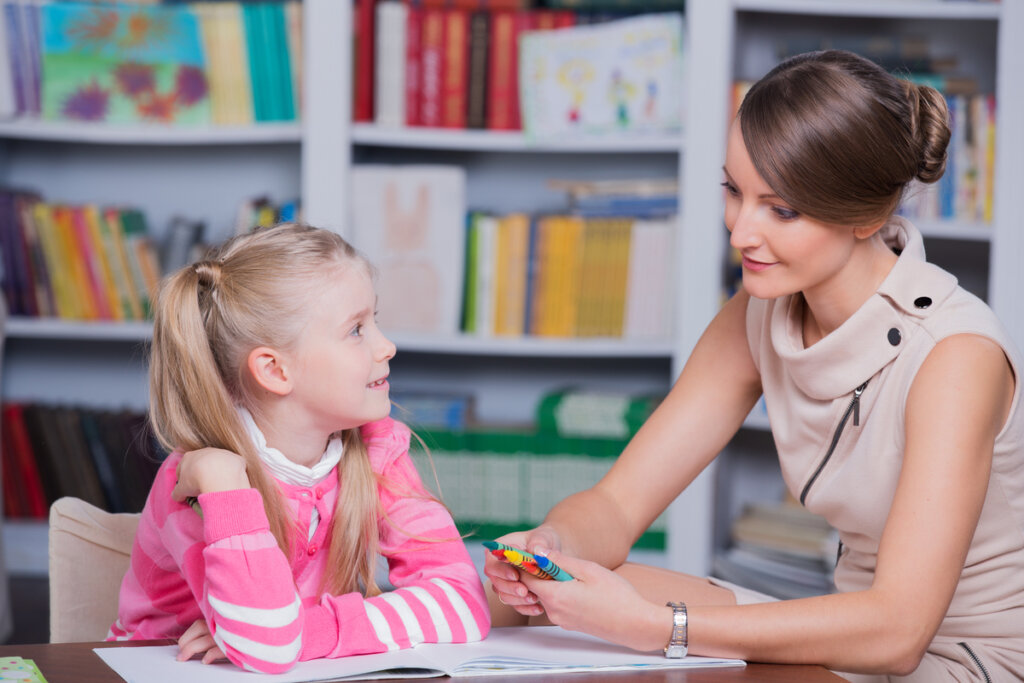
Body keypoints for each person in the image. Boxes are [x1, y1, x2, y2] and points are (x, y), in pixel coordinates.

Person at [486, 50, 1023, 682]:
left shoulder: (955, 355)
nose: (741, 232)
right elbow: (616, 503)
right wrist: (553, 548)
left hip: (954, 657)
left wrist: (662, 628)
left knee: (638, 637)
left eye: (782, 210)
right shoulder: (760, 310)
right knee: (539, 603)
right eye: (734, 192)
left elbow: (899, 632)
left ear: (868, 217)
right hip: (845, 630)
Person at [108, 223, 490, 673]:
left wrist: (306, 631)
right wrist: (224, 485)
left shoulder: (377, 447)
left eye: (375, 321)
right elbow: (269, 649)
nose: (386, 346)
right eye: (356, 330)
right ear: (274, 370)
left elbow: (464, 603)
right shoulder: (199, 480)